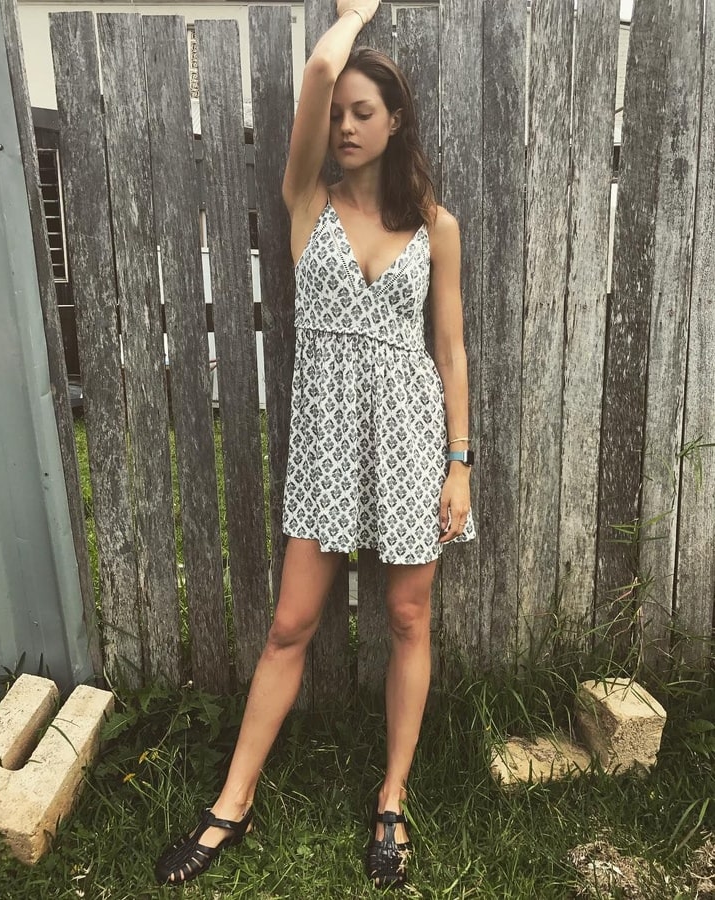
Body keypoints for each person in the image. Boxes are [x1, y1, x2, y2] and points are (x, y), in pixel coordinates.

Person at [155, 0, 475, 889]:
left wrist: (459, 464)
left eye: (363, 113)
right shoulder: (306, 199)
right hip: (328, 442)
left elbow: (450, 349)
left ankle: (392, 798)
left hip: (411, 435)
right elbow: (317, 73)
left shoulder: (436, 225)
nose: (345, 127)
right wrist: (352, 18)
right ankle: (232, 803)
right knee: (290, 625)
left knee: (408, 618)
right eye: (338, 116)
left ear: (396, 120)